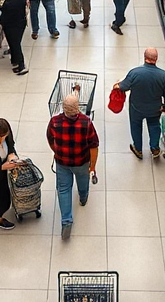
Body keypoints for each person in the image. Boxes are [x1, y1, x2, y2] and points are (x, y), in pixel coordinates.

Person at [46, 92, 99, 240]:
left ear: (64, 108)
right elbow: (94, 146)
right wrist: (92, 166)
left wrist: (57, 151)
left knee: (63, 189)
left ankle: (66, 221)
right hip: (81, 162)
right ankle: (83, 197)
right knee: (82, 182)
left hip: (62, 162)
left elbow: (50, 138)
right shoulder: (86, 122)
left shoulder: (55, 122)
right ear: (77, 108)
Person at [113, 47, 165, 159]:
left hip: (136, 108)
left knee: (136, 127)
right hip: (155, 109)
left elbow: (123, 87)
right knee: (154, 126)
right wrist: (164, 107)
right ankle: (155, 148)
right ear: (156, 59)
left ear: (145, 57)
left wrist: (117, 85)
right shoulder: (163, 75)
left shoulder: (135, 72)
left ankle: (138, 149)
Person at [0, 0, 28, 75]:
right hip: (20, 22)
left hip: (14, 25)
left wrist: (1, 0)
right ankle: (15, 60)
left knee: (15, 44)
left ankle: (22, 66)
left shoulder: (11, 2)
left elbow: (2, 8)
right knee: (14, 43)